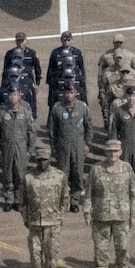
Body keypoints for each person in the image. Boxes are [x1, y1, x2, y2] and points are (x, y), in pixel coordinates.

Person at [86, 138, 135, 268]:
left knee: (122, 248)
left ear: (120, 152)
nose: (112, 154)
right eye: (110, 151)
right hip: (101, 216)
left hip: (122, 217)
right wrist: (87, 211)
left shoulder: (127, 168)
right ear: (105, 152)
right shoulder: (96, 169)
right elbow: (89, 193)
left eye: (115, 151)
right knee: (101, 249)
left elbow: (133, 193)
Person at [21, 143, 67, 268]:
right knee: (35, 251)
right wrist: (26, 218)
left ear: (50, 159)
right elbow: (22, 201)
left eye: (45, 159)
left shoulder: (59, 176)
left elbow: (65, 197)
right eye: (39, 160)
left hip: (53, 221)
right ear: (35, 160)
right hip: (34, 221)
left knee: (52, 250)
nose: (42, 162)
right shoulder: (28, 178)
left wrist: (60, 216)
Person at [47, 83, 92, 212]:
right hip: (63, 145)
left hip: (78, 145)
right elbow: (52, 129)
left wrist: (87, 143)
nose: (69, 95)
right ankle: (64, 201)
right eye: (67, 93)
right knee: (63, 174)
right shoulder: (57, 108)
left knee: (77, 173)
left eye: (71, 92)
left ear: (75, 93)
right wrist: (53, 146)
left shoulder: (82, 107)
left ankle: (75, 200)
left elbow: (89, 126)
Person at [0, 86, 37, 211]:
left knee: (20, 173)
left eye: (15, 94)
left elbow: (31, 132)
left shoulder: (26, 113)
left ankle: (19, 199)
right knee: (7, 174)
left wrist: (30, 150)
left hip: (21, 148)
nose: (13, 97)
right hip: (7, 147)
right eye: (11, 95)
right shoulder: (2, 114)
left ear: (19, 96)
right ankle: (9, 200)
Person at [46, 31, 87, 109]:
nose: (66, 42)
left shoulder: (77, 52)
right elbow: (50, 69)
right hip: (58, 80)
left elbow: (81, 68)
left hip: (74, 79)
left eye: (68, 39)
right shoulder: (55, 52)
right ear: (61, 40)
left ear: (71, 40)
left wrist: (82, 79)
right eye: (64, 40)